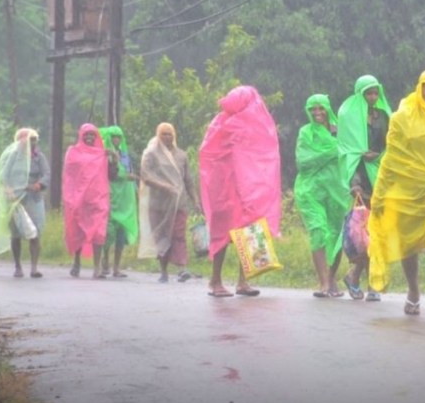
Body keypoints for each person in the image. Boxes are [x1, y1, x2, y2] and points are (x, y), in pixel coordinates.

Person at [367, 69, 425, 317]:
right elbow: (392, 158)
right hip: (408, 192)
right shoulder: (402, 117)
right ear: (419, 88)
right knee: (409, 245)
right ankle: (413, 291)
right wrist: (380, 193)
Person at [199, 85, 282, 298]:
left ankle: (242, 281)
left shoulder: (252, 125)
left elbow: (261, 154)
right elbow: (210, 154)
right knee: (222, 236)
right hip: (225, 189)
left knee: (245, 232)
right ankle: (215, 280)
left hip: (244, 189)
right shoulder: (223, 123)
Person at [336, 74, 392, 302]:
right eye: (368, 92)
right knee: (365, 235)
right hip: (361, 181)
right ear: (359, 94)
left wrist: (378, 157)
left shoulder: (384, 117)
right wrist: (355, 183)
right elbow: (348, 150)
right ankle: (371, 284)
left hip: (380, 176)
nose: (372, 96)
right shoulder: (349, 117)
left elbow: (391, 145)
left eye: (375, 92)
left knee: (377, 234)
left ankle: (356, 277)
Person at [294, 94, 348, 299]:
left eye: (321, 108)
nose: (317, 113)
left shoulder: (339, 130)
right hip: (310, 190)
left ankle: (332, 277)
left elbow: (350, 153)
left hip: (336, 189)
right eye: (312, 109)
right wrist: (333, 151)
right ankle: (323, 282)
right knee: (318, 230)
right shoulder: (306, 132)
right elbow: (303, 161)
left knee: (336, 234)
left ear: (328, 109)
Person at [0, 128, 50, 277]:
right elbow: (4, 175)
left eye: (34, 140)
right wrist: (8, 189)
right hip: (16, 199)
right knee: (16, 233)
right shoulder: (13, 157)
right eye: (28, 140)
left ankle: (34, 267)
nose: (31, 143)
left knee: (35, 232)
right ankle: (18, 266)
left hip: (33, 197)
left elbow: (46, 174)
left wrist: (39, 184)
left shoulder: (39, 157)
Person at [138, 123, 201, 283]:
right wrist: (165, 187)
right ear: (158, 136)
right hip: (158, 205)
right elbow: (146, 177)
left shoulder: (182, 155)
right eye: (164, 134)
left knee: (178, 235)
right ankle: (164, 271)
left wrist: (195, 200)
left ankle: (182, 268)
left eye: (170, 134)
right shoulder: (151, 155)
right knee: (161, 237)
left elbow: (188, 181)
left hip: (179, 204)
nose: (167, 137)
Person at [62, 124, 110, 279]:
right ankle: (76, 261)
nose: (89, 137)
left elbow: (113, 175)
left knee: (99, 232)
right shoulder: (73, 152)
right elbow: (69, 176)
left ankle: (97, 267)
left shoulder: (102, 154)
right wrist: (71, 198)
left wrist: (113, 158)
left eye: (92, 135)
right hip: (79, 200)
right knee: (79, 231)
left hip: (98, 199)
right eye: (86, 134)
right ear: (81, 135)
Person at [99, 125, 139, 278]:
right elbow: (110, 175)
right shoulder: (105, 154)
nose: (117, 139)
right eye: (114, 136)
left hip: (125, 198)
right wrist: (124, 176)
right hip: (110, 195)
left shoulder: (124, 155)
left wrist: (134, 186)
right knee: (108, 232)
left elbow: (129, 171)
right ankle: (105, 262)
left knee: (121, 233)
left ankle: (116, 267)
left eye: (119, 136)